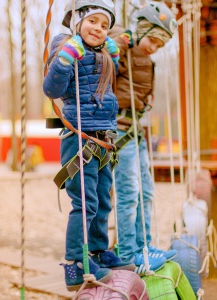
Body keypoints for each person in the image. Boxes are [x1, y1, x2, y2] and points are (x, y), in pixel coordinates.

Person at [43, 0, 136, 291]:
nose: (98, 28)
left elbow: (103, 84)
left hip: (103, 137)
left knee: (102, 199)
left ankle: (97, 251)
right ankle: (75, 262)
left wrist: (114, 54)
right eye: (93, 21)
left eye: (104, 25)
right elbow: (52, 89)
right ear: (77, 20)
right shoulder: (65, 45)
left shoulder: (101, 52)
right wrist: (64, 60)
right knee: (84, 202)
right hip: (80, 137)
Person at [108, 2, 178, 274]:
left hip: (135, 131)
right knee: (129, 192)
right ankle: (128, 252)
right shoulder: (121, 46)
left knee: (146, 191)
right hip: (119, 129)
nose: (153, 48)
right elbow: (107, 47)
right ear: (140, 30)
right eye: (151, 40)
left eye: (159, 45)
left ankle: (145, 246)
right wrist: (126, 39)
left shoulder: (147, 61)